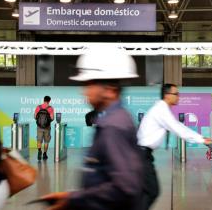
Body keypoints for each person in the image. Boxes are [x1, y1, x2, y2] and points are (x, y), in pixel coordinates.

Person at [41, 48, 144, 210]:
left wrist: (73, 199)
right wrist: (71, 197)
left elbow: (124, 187)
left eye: (89, 84)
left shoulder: (113, 127)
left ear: (110, 90)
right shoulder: (115, 119)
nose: (84, 91)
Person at [137, 83, 211, 210]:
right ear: (167, 95)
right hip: (141, 155)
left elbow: (177, 125)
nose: (178, 97)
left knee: (145, 191)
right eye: (176, 94)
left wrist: (200, 138)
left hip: (143, 154)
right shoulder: (161, 110)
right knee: (152, 191)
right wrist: (201, 139)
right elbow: (177, 128)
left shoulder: (162, 108)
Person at [34, 96, 54, 160]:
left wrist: (39, 121)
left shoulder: (38, 107)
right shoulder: (50, 108)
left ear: (43, 100)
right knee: (46, 141)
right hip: (47, 127)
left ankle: (39, 151)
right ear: (49, 101)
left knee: (39, 140)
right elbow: (52, 118)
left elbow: (35, 116)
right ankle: (45, 154)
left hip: (39, 127)